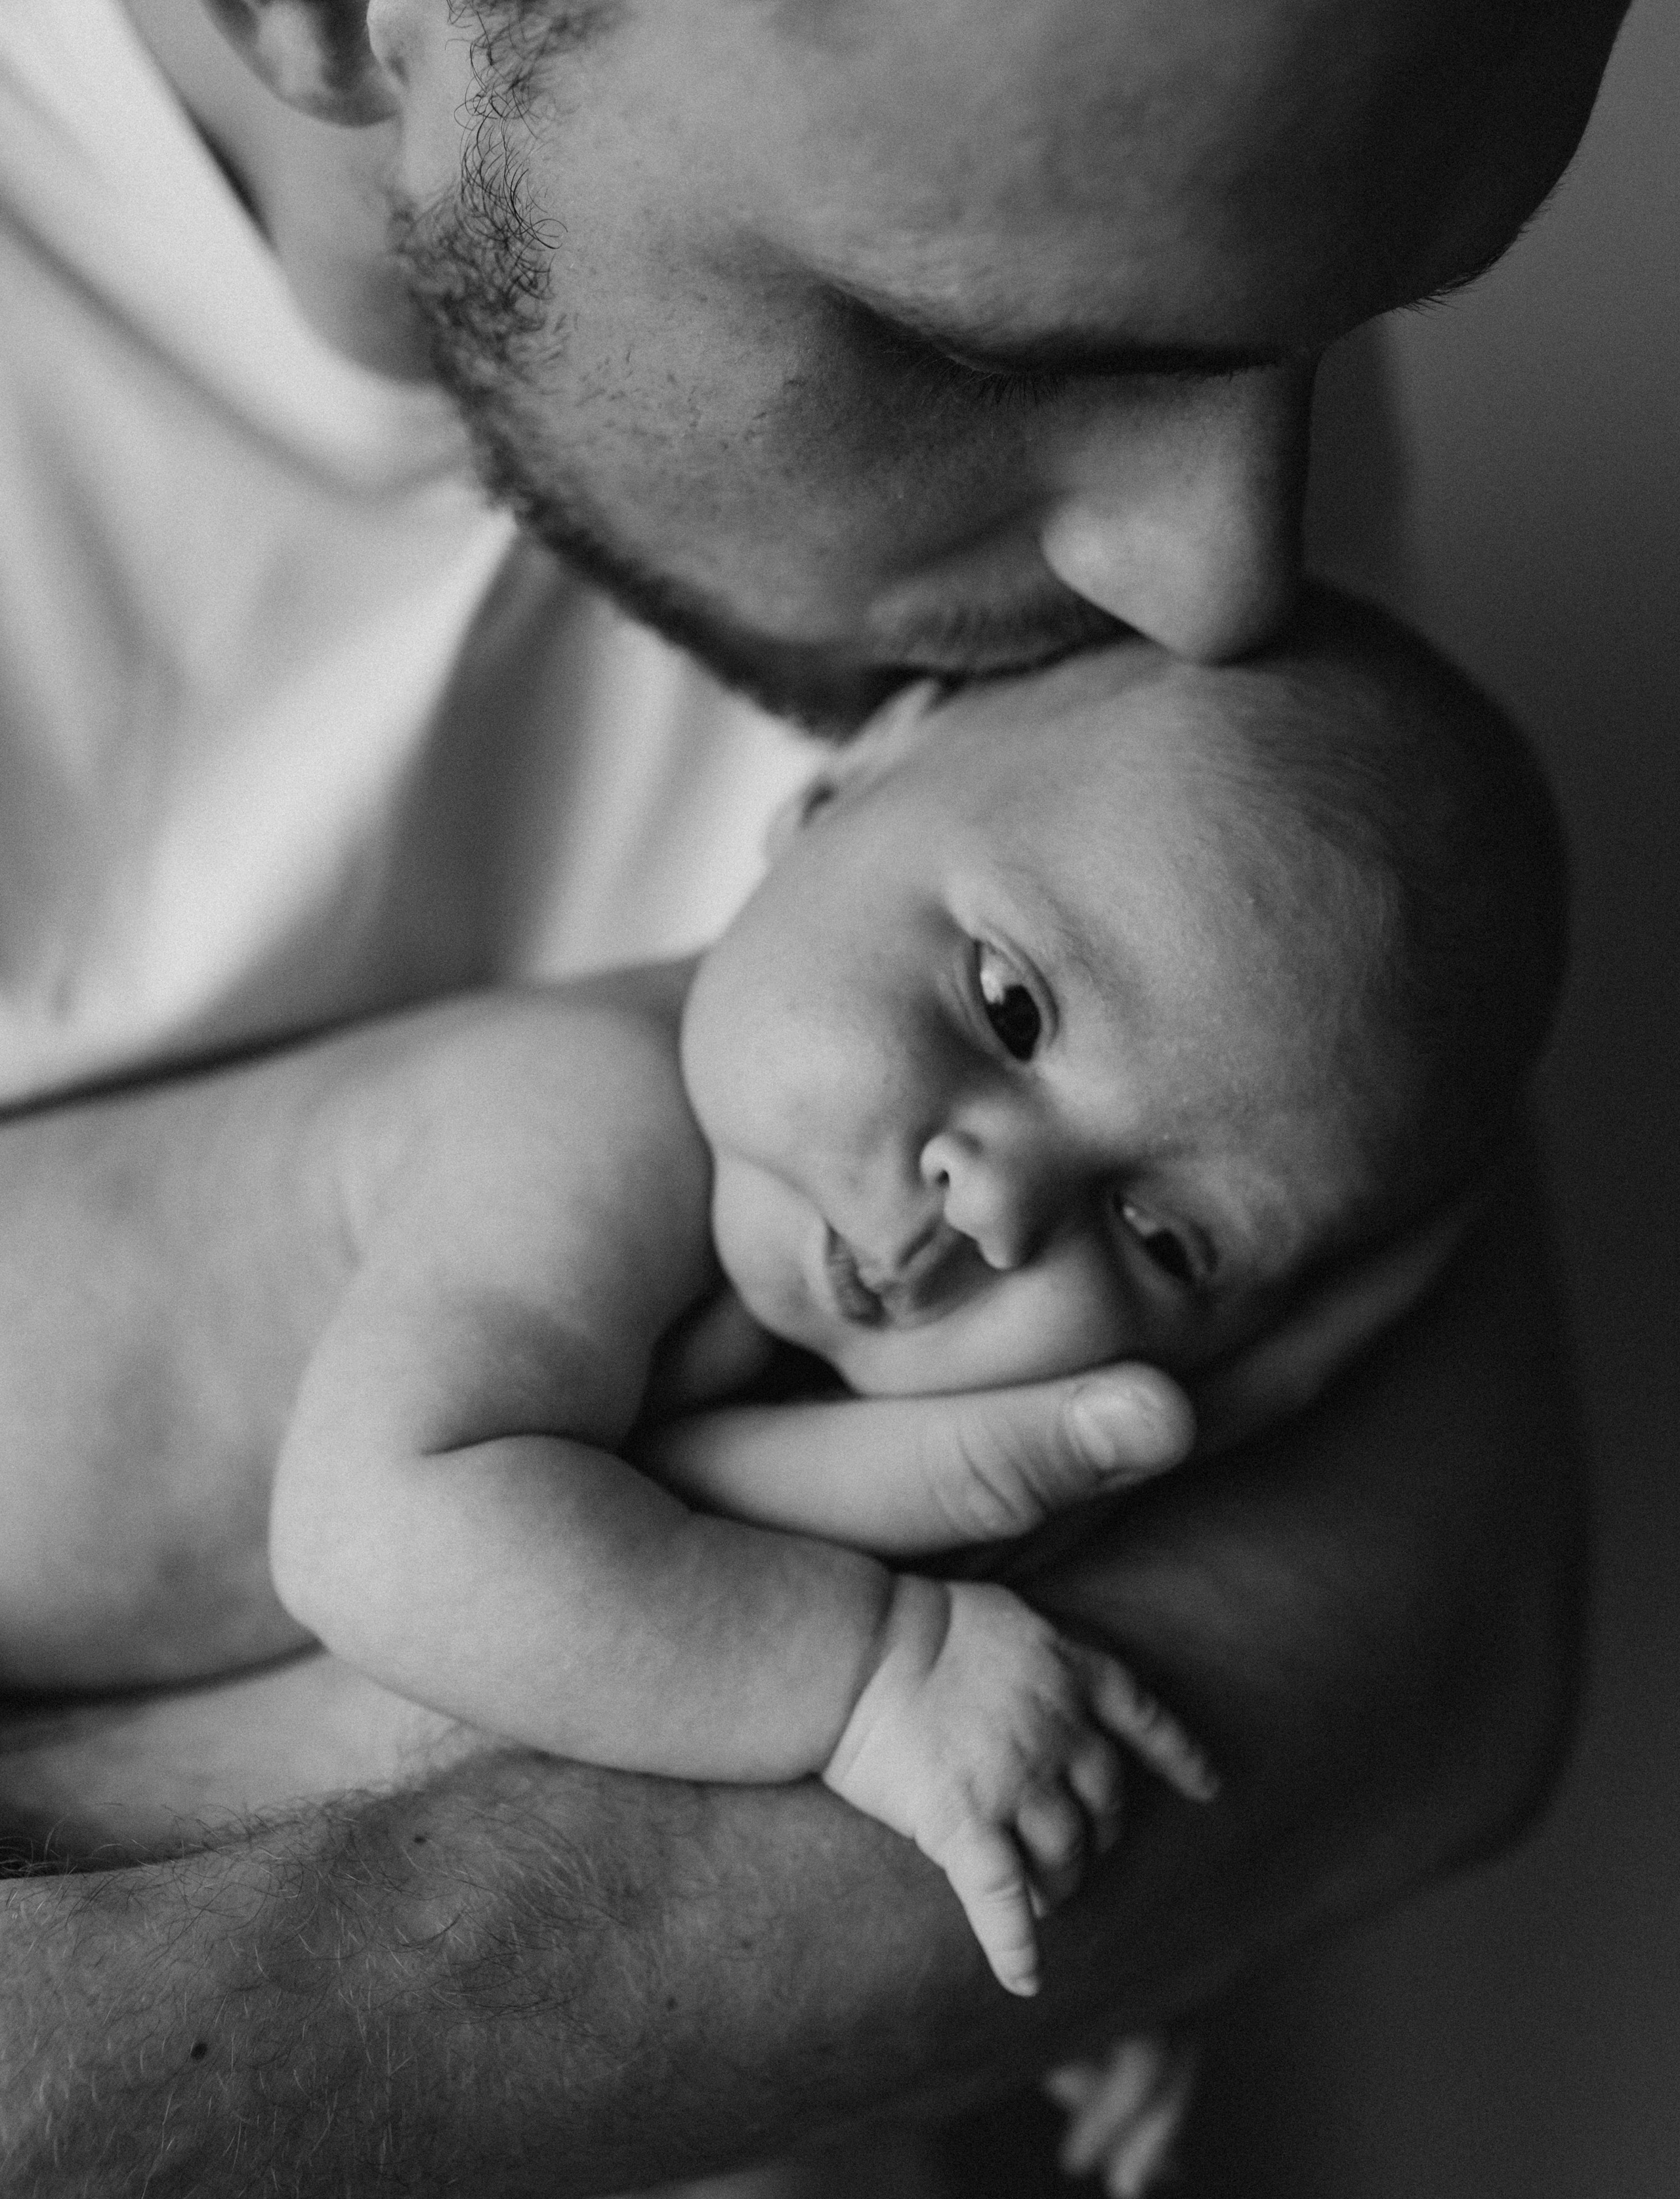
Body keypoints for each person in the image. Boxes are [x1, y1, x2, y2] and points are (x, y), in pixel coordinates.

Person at [0, 0, 1671, 2190]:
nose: (1226, 575)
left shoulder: (1143, 173)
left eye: (1330, 333)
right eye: (1005, 350)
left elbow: (1430, 1641)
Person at [258, 593, 1563, 2005]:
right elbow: (369, 1537)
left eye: (1161, 1239)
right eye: (1008, 1005)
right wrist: (872, 1674)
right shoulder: (582, 1112)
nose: (998, 1210)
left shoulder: (798, 1342)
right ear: (829, 795)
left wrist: (1043, 1840)